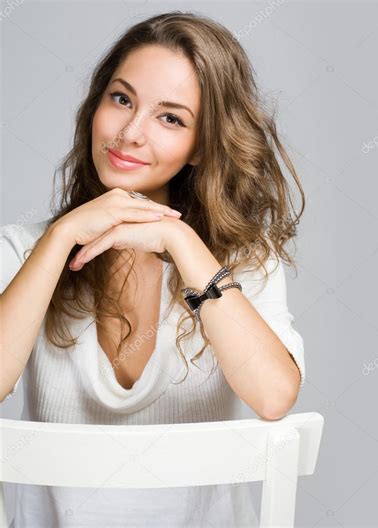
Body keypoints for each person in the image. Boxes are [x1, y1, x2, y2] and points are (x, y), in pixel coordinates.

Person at [1, 11, 306, 528]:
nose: (129, 133)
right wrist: (58, 239)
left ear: (202, 145)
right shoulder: (23, 248)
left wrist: (181, 242)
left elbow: (274, 396)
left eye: (171, 118)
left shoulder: (244, 265)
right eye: (121, 99)